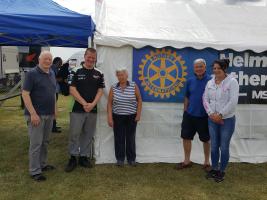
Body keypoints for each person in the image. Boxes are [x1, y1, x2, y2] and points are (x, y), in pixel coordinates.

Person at [65, 48, 105, 172]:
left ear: (95, 58)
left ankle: (83, 157)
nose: (91, 59)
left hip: (92, 109)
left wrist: (92, 104)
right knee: (75, 134)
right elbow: (72, 90)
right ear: (85, 56)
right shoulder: (74, 71)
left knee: (88, 134)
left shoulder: (99, 73)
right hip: (77, 108)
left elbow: (100, 91)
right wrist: (84, 103)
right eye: (89, 57)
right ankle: (73, 157)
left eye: (93, 58)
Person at [22, 51, 56, 182]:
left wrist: (55, 109)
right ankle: (35, 171)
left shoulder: (52, 73)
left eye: (50, 59)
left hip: (49, 114)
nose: (48, 61)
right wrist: (33, 113)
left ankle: (42, 164)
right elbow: (25, 94)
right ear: (39, 60)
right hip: (36, 115)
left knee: (45, 142)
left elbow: (52, 92)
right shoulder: (32, 74)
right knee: (36, 143)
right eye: (45, 59)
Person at [203, 59, 239, 182]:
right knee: (213, 146)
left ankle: (222, 171)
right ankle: (214, 168)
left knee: (224, 147)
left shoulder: (232, 82)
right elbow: (205, 99)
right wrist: (211, 114)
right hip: (212, 119)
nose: (216, 70)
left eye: (219, 68)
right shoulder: (210, 83)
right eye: (214, 68)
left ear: (224, 69)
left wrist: (221, 114)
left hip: (227, 120)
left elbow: (233, 102)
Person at [176, 58, 211, 171]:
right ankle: (187, 161)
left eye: (201, 66)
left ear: (205, 67)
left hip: (205, 116)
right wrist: (185, 111)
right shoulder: (190, 81)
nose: (199, 68)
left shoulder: (211, 80)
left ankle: (206, 162)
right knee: (186, 137)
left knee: (206, 139)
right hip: (189, 115)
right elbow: (187, 96)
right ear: (194, 68)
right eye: (197, 67)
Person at [107, 68, 142, 167]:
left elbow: (139, 100)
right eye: (118, 75)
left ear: (127, 75)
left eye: (122, 75)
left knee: (130, 138)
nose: (121, 77)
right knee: (119, 138)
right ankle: (120, 159)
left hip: (131, 116)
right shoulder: (113, 87)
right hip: (117, 116)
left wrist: (138, 114)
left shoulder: (133, 85)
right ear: (117, 76)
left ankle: (131, 159)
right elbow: (109, 103)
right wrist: (110, 117)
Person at [51, 57, 63, 133]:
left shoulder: (54, 68)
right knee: (53, 109)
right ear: (57, 62)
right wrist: (60, 79)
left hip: (54, 91)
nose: (61, 64)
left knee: (54, 108)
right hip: (53, 91)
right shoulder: (53, 68)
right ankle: (53, 127)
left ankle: (54, 125)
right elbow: (52, 79)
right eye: (60, 63)